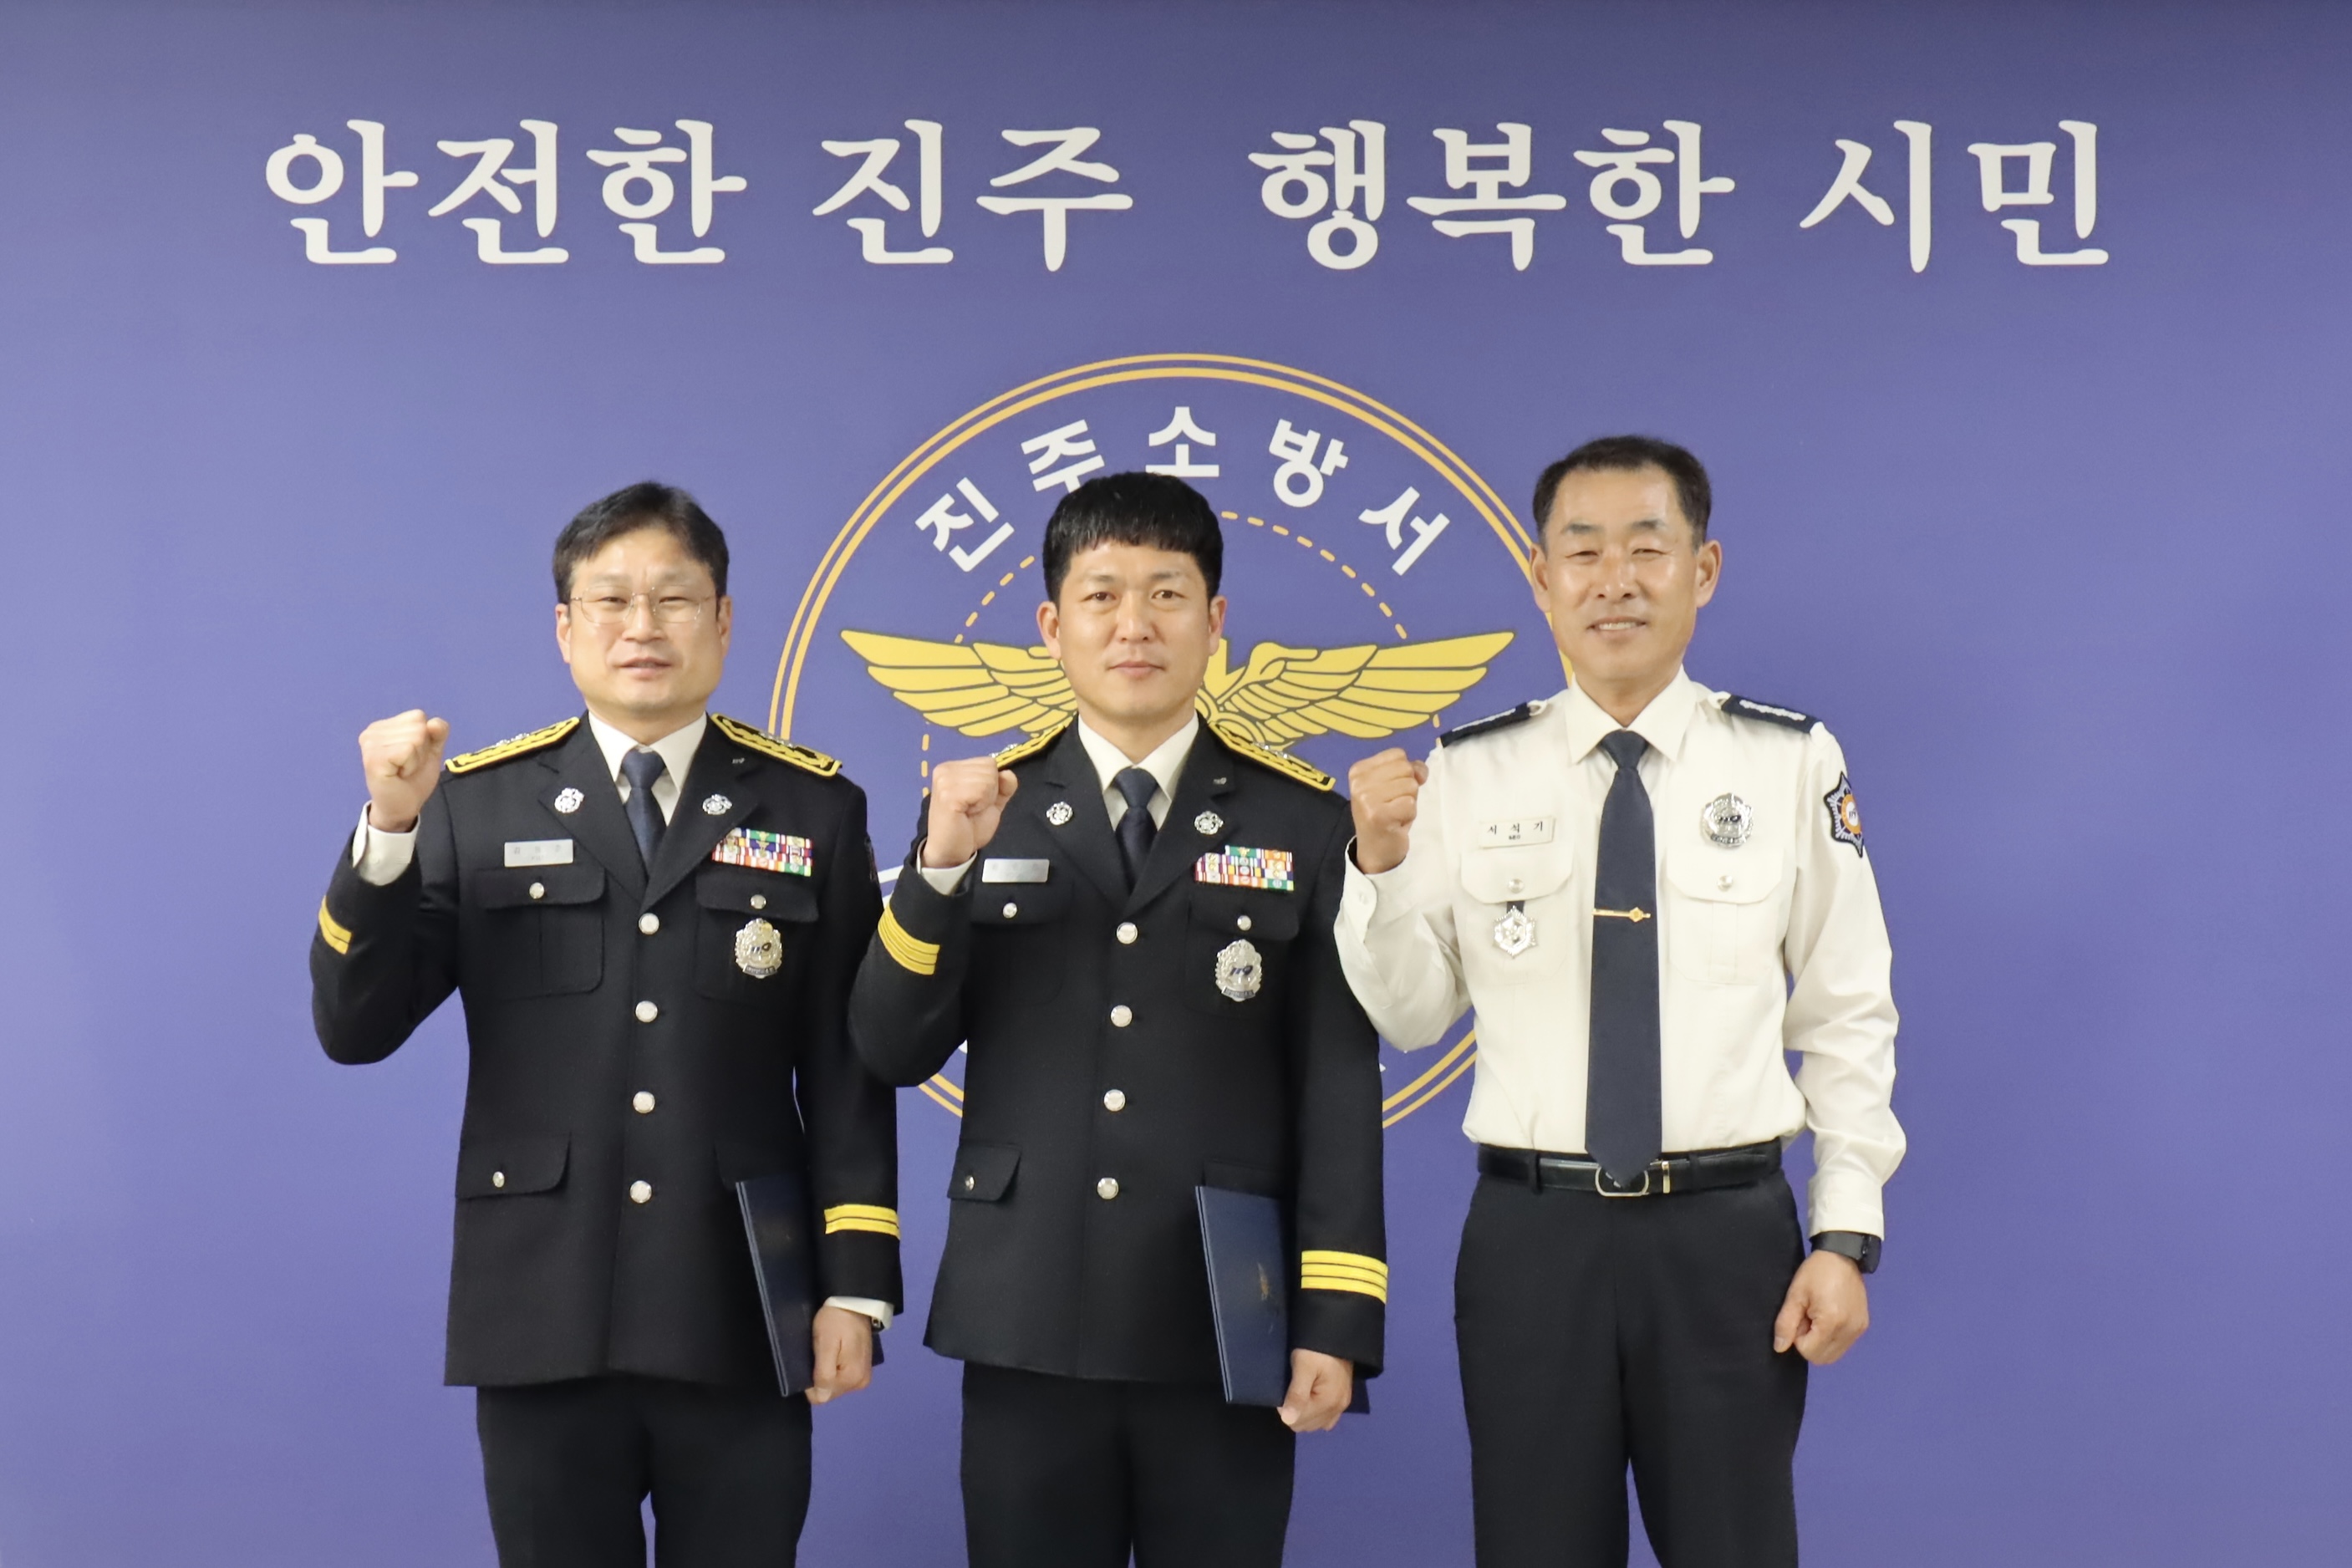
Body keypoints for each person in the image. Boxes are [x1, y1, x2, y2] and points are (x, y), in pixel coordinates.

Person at [308, 481, 900, 1568]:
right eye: (611, 600)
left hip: (740, 1299)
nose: (642, 627)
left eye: (673, 599)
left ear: (723, 620)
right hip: (541, 1305)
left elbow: (846, 1068)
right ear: (564, 627)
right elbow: (355, 1024)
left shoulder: (813, 808)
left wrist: (853, 1284)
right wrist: (389, 827)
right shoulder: (472, 802)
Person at [1338, 435, 1903, 1568]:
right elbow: (1410, 1015)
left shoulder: (1787, 762)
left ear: (1703, 571)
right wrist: (1379, 868)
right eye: (1582, 551)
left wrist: (1845, 1233)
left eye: (1648, 549)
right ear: (1540, 578)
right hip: (1533, 1242)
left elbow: (1847, 1010)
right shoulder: (1469, 770)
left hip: (1726, 1244)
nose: (1615, 582)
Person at [848, 471, 1386, 1568]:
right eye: (1101, 596)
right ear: (1052, 627)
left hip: (1222, 1314)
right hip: (1025, 1309)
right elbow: (889, 1046)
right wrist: (938, 871)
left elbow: (1335, 1085)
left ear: (1215, 621)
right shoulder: (980, 810)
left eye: (1166, 594)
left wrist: (1334, 1315)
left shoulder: (1302, 822)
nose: (1133, 625)